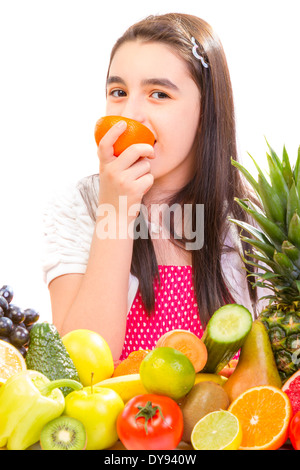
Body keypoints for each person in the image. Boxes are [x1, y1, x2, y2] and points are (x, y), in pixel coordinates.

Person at [42, 13, 265, 361]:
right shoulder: (80, 207)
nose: (131, 114)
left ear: (206, 110)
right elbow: (79, 368)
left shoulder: (250, 223)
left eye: (158, 94)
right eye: (119, 92)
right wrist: (116, 211)